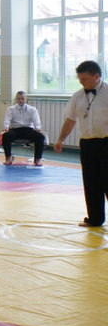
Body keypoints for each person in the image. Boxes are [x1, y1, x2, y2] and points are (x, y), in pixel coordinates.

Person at [53, 60, 108, 227]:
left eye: (84, 79)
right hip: (87, 143)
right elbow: (70, 120)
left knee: (106, 179)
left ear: (96, 76)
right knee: (90, 181)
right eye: (79, 79)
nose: (81, 82)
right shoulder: (77, 96)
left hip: (107, 141)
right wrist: (60, 139)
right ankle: (95, 218)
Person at [1, 91, 45, 166]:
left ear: (26, 99)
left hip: (28, 129)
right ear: (16, 99)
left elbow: (36, 120)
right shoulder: (11, 109)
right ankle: (8, 158)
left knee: (40, 137)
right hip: (15, 129)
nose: (20, 100)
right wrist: (6, 127)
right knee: (5, 136)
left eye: (22, 99)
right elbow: (7, 119)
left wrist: (38, 128)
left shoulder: (32, 109)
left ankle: (37, 159)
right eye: (18, 99)